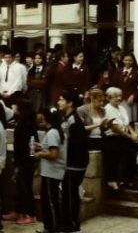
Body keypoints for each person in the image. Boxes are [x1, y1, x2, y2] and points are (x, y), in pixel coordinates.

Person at [3, 98, 38, 225]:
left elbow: (32, 143)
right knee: (19, 188)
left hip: (26, 161)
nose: (13, 107)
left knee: (26, 188)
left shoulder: (29, 124)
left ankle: (30, 214)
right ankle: (18, 211)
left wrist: (31, 158)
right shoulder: (20, 122)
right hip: (20, 160)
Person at [58, 89, 89, 233]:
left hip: (74, 164)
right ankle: (67, 222)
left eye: (62, 99)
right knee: (67, 193)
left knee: (70, 194)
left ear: (70, 103)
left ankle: (72, 223)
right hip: (70, 162)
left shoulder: (74, 120)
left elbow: (78, 143)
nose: (59, 102)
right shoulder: (67, 118)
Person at [33, 108, 66, 233]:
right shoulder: (57, 131)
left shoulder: (52, 133)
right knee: (51, 200)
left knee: (50, 201)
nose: (39, 118)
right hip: (54, 172)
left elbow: (54, 154)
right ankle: (51, 227)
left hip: (51, 172)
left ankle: (53, 228)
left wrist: (40, 154)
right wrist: (41, 146)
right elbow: (52, 148)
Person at [102, 86, 138, 190]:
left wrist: (134, 133)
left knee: (132, 153)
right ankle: (111, 180)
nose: (119, 98)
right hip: (112, 137)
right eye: (116, 96)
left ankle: (128, 180)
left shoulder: (122, 108)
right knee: (114, 152)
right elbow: (115, 128)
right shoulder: (107, 109)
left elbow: (127, 124)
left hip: (124, 136)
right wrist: (131, 137)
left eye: (120, 96)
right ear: (109, 98)